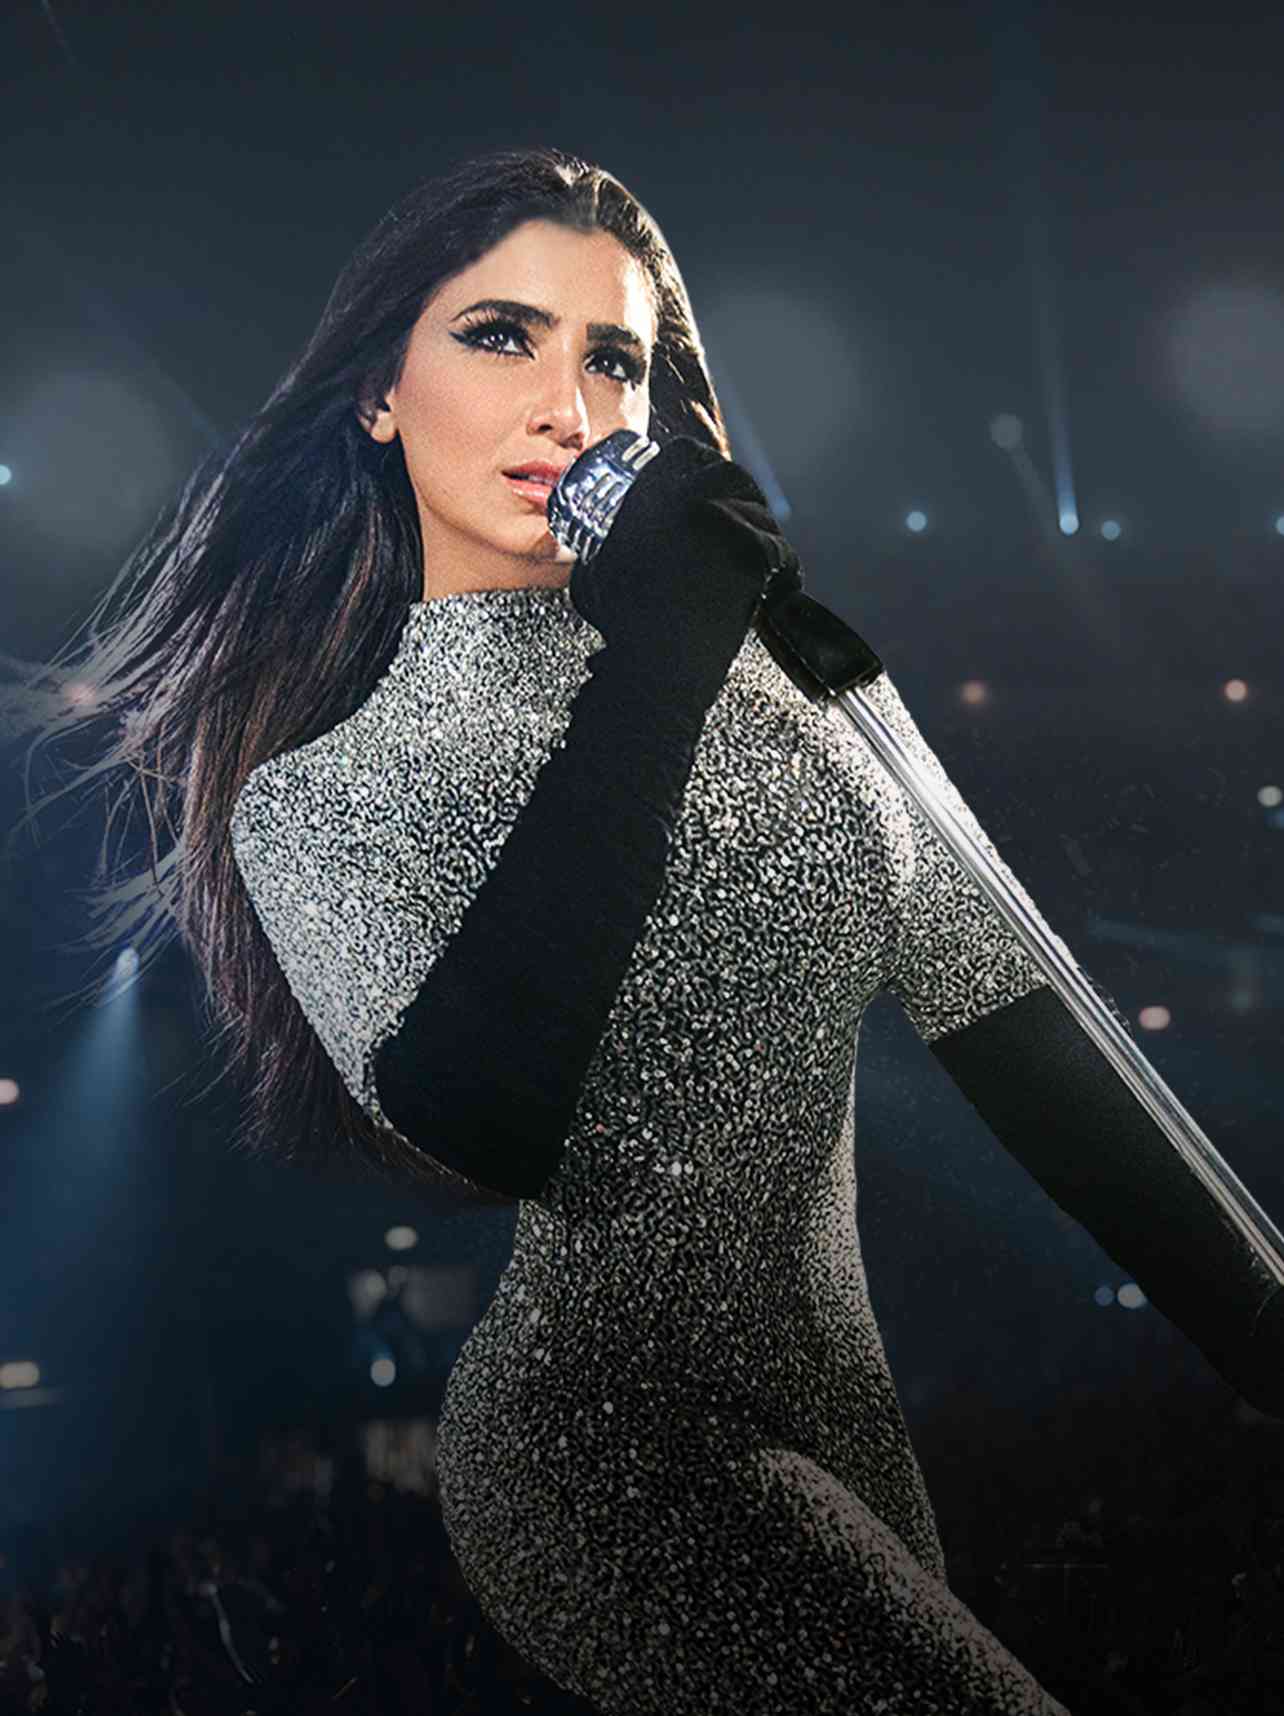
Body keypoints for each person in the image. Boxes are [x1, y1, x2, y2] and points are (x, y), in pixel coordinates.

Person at [11, 145, 1283, 1715]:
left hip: (849, 1423)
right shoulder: (327, 787)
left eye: (611, 359)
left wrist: (1260, 1330)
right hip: (602, 1454)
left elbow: (1020, 1026)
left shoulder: (784, 678)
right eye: (502, 337)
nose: (568, 404)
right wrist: (662, 653)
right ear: (379, 394)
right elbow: (488, 1114)